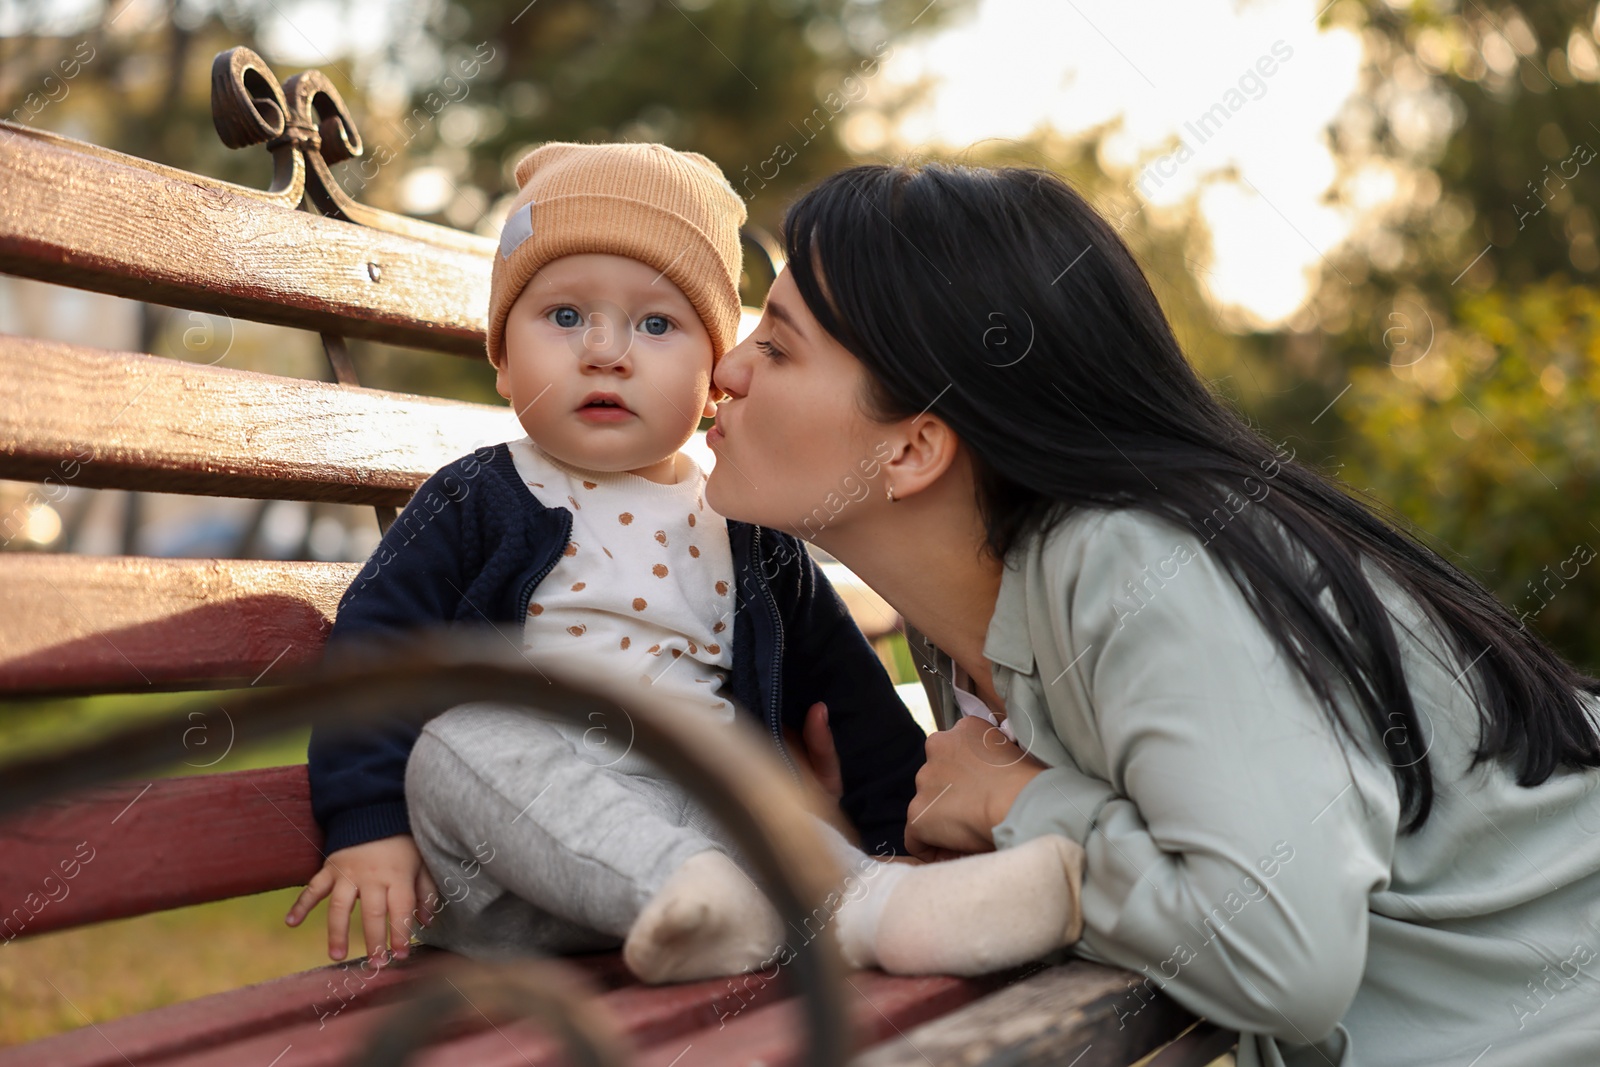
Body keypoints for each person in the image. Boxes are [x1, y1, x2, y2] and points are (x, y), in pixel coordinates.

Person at [702, 161, 1600, 1064]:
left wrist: (1021, 804)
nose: (727, 365)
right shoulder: (970, 622)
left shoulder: (1140, 561)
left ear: (914, 448)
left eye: (776, 347)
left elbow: (1279, 960)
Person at [286, 142, 1085, 983]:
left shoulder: (748, 532)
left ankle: (890, 909)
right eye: (563, 317)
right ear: (502, 361)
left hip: (714, 831)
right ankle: (724, 899)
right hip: (511, 858)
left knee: (745, 786)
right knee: (464, 739)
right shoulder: (474, 500)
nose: (604, 351)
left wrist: (905, 837)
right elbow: (373, 650)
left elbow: (850, 700)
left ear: (715, 379)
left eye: (656, 324)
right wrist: (367, 823)